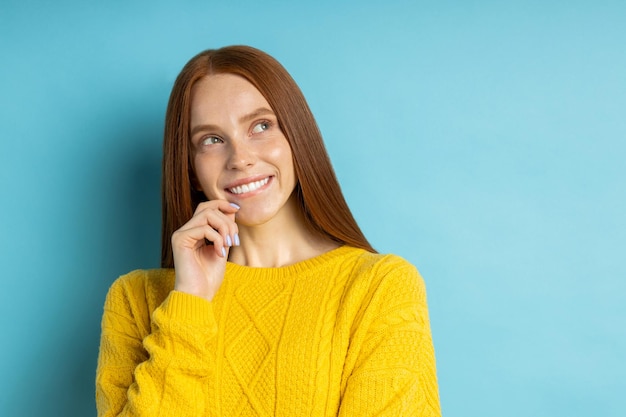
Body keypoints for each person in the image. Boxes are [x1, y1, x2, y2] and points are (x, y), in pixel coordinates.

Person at [95, 45, 441, 416]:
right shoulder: (135, 300)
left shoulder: (378, 288)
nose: (240, 158)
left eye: (261, 126)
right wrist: (189, 301)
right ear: (191, 168)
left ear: (297, 137)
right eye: (211, 139)